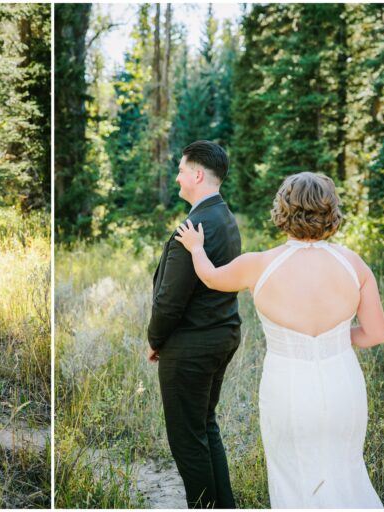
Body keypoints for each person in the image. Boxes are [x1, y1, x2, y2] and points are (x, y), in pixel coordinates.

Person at [174, 171, 384, 508]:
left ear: (283, 210)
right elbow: (376, 334)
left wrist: (196, 248)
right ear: (330, 211)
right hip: (343, 385)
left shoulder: (259, 264)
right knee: (346, 471)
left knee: (292, 477)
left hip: (287, 388)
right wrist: (332, 340)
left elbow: (211, 278)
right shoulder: (354, 265)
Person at [147, 141, 242, 508]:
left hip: (191, 346)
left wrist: (155, 339)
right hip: (220, 336)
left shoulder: (194, 228)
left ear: (198, 174)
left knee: (188, 442)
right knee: (205, 427)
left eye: (182, 170)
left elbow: (170, 302)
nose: (177, 176)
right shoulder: (225, 217)